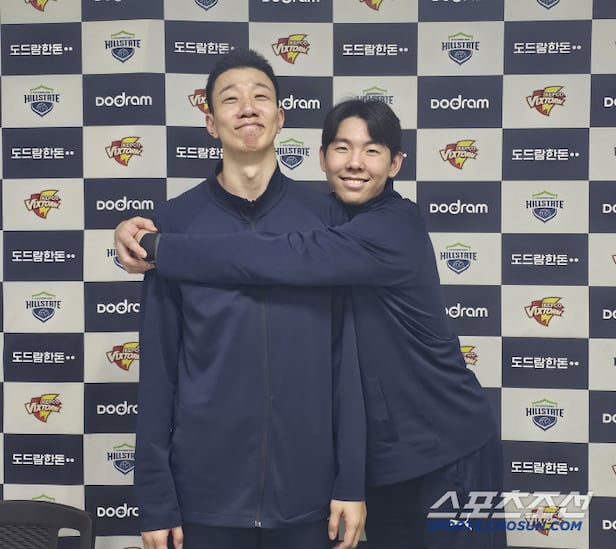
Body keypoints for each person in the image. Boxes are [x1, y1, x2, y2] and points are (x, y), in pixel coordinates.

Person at [118, 99, 507, 549]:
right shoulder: (330, 218)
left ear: (396, 163)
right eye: (342, 148)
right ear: (321, 158)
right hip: (386, 462)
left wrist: (159, 247)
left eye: (372, 151)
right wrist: (132, 228)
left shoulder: (395, 224)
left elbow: (275, 253)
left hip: (450, 448)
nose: (355, 163)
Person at [131, 49, 367, 549]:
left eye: (261, 97)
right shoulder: (172, 226)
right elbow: (158, 371)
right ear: (211, 123)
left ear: (280, 118)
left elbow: (348, 360)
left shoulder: (328, 219)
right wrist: (155, 498)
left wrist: (351, 480)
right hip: (202, 499)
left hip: (310, 498)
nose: (247, 108)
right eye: (230, 99)